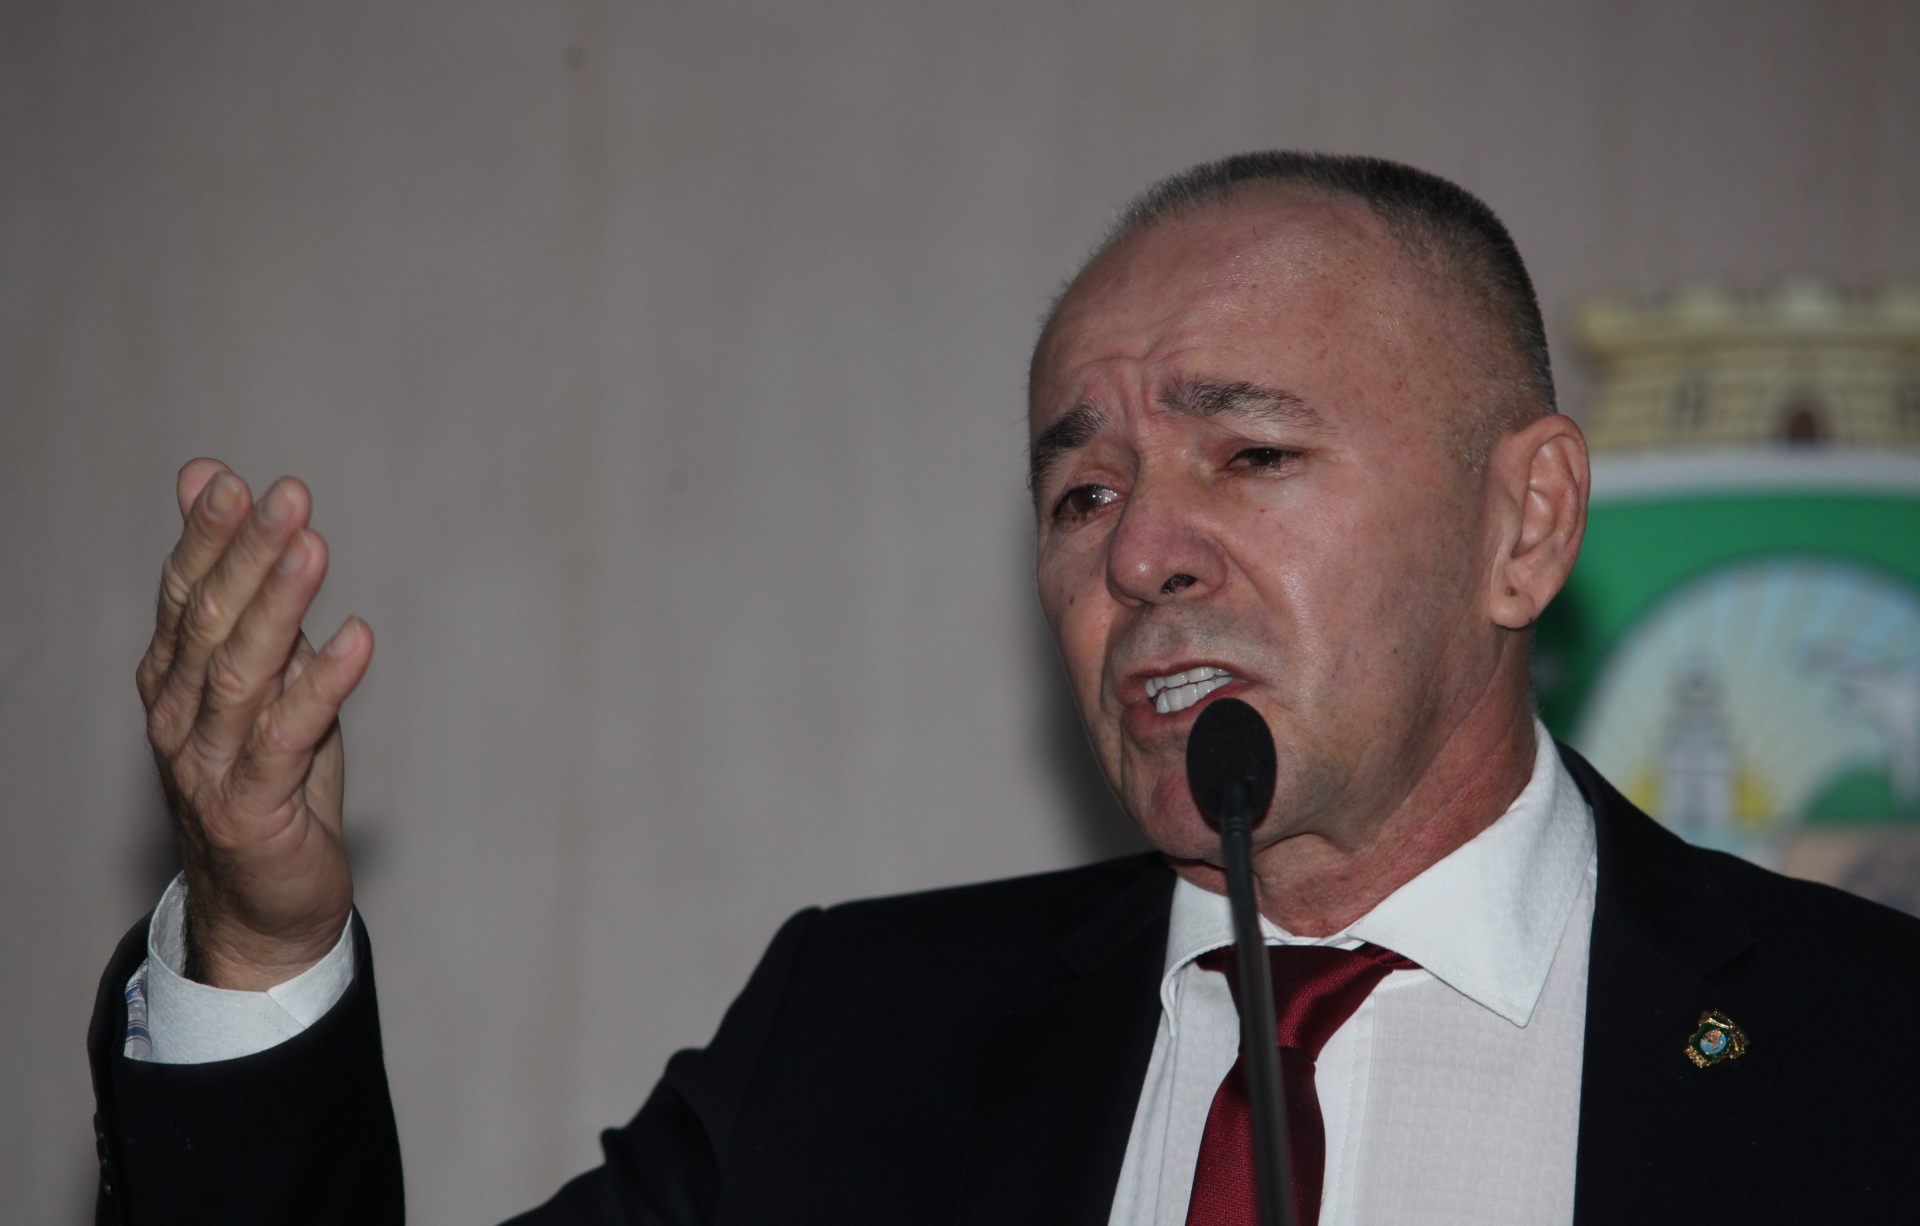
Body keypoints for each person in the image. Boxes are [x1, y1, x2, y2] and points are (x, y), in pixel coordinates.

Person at [90, 153, 1920, 1225]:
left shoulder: (1870, 1057)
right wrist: (260, 946)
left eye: (1252, 455)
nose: (1138, 556)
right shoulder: (857, 1043)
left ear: (1527, 526)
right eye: (1082, 491)